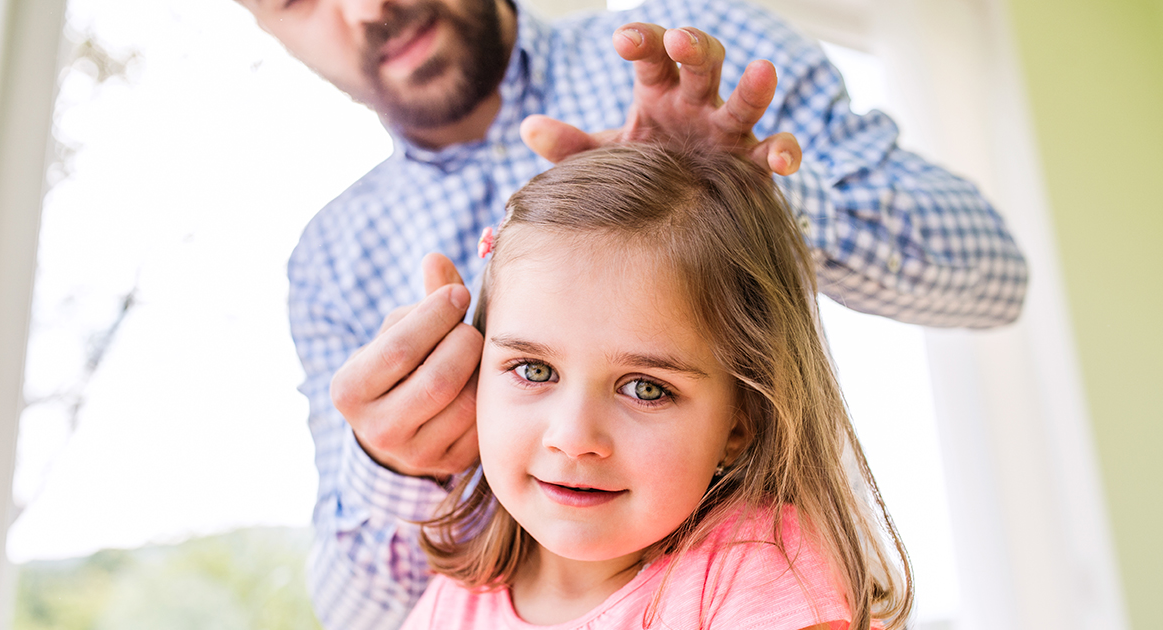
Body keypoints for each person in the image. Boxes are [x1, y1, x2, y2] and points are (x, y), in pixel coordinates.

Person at [232, 0, 1028, 627]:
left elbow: (994, 272)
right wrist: (393, 472)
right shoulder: (329, 261)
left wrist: (744, 209)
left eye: (645, 385)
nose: (368, 6)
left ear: (740, 415)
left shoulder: (693, 43)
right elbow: (358, 618)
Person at [403, 142, 910, 630]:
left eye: (645, 388)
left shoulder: (762, 569)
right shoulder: (453, 603)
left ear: (740, 422)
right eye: (534, 370)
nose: (573, 436)